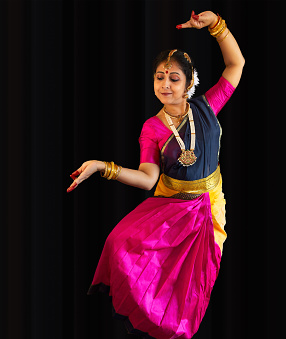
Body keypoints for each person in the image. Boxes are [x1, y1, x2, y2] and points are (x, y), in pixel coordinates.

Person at [66, 10, 244, 339]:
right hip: (172, 205)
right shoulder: (152, 127)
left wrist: (217, 26)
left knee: (193, 286)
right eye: (159, 77)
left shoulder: (207, 106)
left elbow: (236, 65)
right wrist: (102, 167)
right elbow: (148, 178)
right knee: (119, 244)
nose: (165, 85)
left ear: (189, 82)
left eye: (174, 78)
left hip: (208, 208)